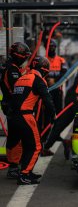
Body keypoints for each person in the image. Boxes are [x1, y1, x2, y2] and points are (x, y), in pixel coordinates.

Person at [10, 56, 55, 185]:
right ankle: (24, 175)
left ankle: (25, 171)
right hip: (26, 116)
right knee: (36, 146)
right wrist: (53, 116)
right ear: (44, 68)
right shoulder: (38, 80)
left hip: (14, 117)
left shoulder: (21, 78)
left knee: (25, 145)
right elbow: (48, 100)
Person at [0, 42, 31, 179]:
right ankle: (13, 167)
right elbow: (17, 87)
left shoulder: (14, 68)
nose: (24, 58)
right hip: (13, 107)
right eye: (23, 55)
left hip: (14, 106)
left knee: (18, 136)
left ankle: (16, 164)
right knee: (15, 137)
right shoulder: (11, 69)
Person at [38, 39, 68, 144]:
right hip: (46, 91)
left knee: (58, 114)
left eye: (53, 47)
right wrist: (48, 80)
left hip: (57, 92)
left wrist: (54, 80)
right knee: (46, 115)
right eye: (49, 47)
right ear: (46, 48)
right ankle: (44, 136)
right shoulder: (43, 61)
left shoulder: (61, 60)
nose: (51, 48)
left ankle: (55, 134)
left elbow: (65, 74)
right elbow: (39, 74)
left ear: (56, 48)